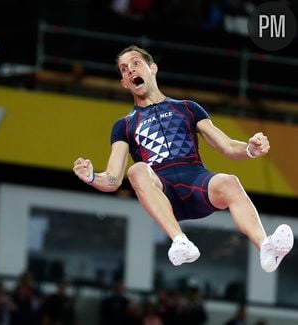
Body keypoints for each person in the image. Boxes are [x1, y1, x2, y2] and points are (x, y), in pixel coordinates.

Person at [73, 45, 293, 272]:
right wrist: (91, 177)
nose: (130, 70)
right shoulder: (124, 125)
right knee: (136, 170)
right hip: (163, 191)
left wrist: (251, 149)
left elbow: (226, 146)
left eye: (136, 63)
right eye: (124, 69)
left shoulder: (188, 108)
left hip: (196, 182)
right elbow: (113, 180)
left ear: (152, 68)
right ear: (124, 83)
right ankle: (180, 241)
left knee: (230, 182)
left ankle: (266, 248)